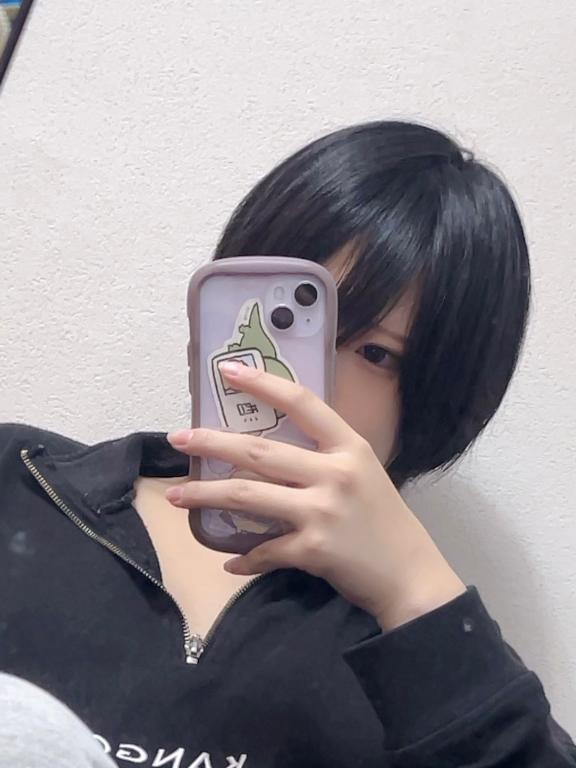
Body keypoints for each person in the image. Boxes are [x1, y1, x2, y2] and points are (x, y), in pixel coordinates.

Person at [1, 120, 574, 767]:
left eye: (375, 352)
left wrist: (414, 592)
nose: (298, 381)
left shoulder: (420, 654)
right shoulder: (19, 484)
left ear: (440, 394)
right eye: (277, 324)